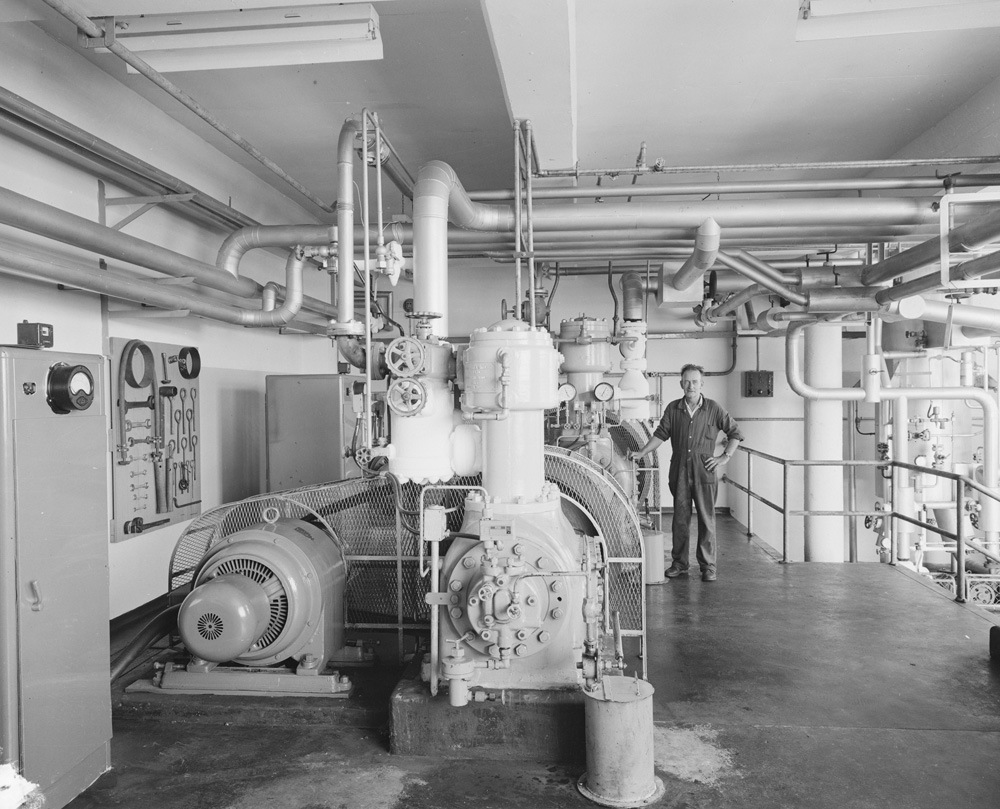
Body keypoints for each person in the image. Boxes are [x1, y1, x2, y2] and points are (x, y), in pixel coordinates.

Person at [631, 363, 743, 582]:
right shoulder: (674, 408)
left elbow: (735, 433)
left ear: (701, 384)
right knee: (680, 519)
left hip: (705, 472)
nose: (690, 385)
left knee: (706, 519)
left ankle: (708, 566)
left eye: (694, 381)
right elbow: (661, 434)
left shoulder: (713, 408)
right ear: (681, 383)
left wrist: (724, 457)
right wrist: (642, 451)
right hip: (680, 470)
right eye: (687, 381)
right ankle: (679, 563)